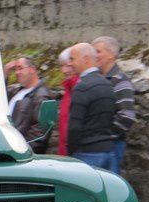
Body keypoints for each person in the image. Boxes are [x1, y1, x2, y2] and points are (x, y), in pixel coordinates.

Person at [67, 42, 117, 170]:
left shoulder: (82, 87)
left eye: (72, 59)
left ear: (86, 59)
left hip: (87, 154)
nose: (70, 63)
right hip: (109, 152)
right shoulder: (108, 84)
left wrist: (70, 154)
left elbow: (74, 127)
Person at [92, 36, 136, 174]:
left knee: (109, 189)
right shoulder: (96, 79)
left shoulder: (120, 81)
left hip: (111, 146)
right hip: (96, 145)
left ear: (111, 55)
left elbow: (127, 116)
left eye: (98, 51)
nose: (94, 55)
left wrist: (102, 135)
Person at [4, 57, 53, 153]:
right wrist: (6, 72)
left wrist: (19, 150)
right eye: (15, 69)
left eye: (20, 68)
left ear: (32, 70)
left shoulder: (42, 96)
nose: (17, 72)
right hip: (8, 147)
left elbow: (40, 134)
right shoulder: (16, 91)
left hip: (19, 152)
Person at [56, 47, 79, 156]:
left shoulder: (80, 88)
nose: (64, 70)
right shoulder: (68, 89)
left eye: (68, 65)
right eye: (62, 66)